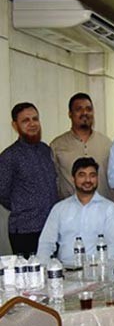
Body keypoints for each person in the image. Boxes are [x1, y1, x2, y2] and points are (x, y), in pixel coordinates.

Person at [37, 157, 114, 264]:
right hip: (65, 269)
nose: (88, 180)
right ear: (73, 178)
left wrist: (96, 267)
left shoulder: (109, 208)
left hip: (98, 269)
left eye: (92, 175)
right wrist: (48, 267)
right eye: (82, 175)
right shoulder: (59, 209)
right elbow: (46, 244)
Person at [0, 102, 58, 256]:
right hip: (25, 230)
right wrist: (23, 205)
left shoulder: (46, 150)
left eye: (35, 119)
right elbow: (2, 193)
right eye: (26, 120)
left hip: (51, 227)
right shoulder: (9, 156)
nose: (32, 124)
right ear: (15, 125)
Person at [51, 92, 114, 201]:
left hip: (103, 208)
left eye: (88, 109)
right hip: (70, 209)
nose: (85, 113)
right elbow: (53, 183)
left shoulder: (106, 143)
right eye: (79, 109)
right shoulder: (57, 145)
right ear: (70, 114)